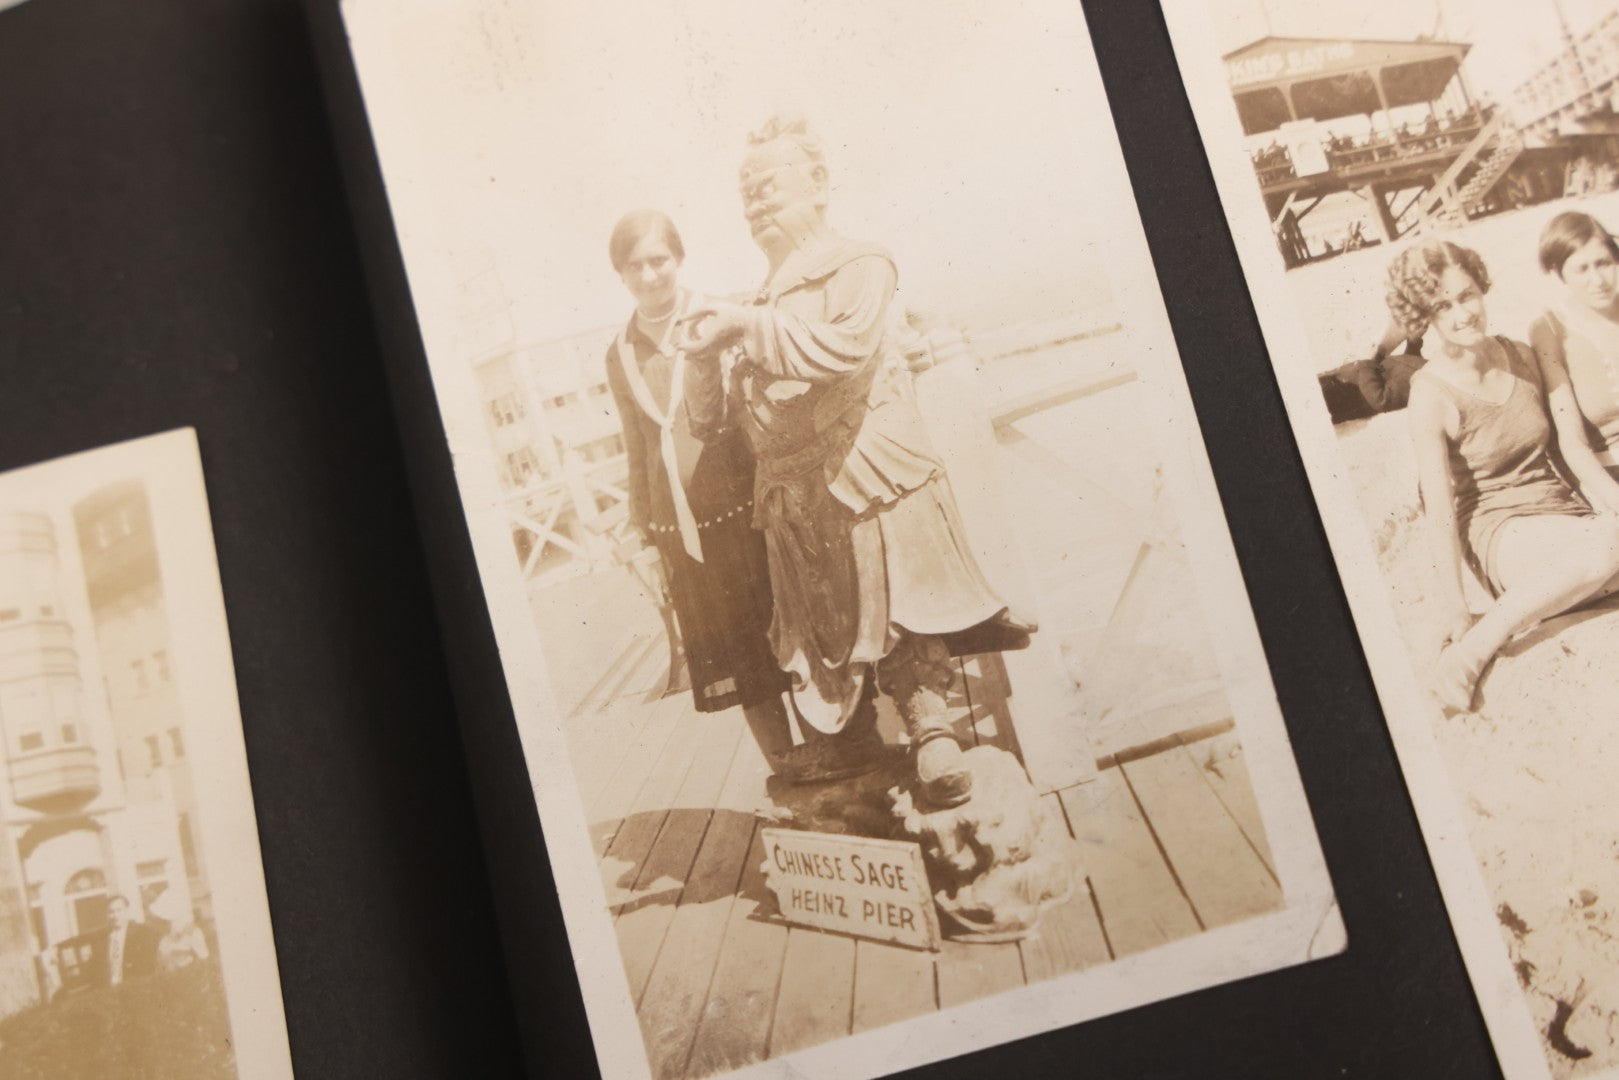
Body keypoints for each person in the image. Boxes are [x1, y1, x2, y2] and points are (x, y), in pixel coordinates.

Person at [679, 115, 1030, 806]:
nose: (754, 201)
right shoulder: (752, 299)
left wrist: (747, 327)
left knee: (900, 603)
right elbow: (709, 420)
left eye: (767, 184)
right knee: (817, 628)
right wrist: (699, 359)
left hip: (866, 469)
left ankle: (932, 729)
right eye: (744, 191)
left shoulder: (863, 263)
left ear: (816, 183)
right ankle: (849, 738)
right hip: (790, 491)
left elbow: (843, 348)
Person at [602, 211, 798, 775]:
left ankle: (829, 762)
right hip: (684, 534)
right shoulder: (619, 351)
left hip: (747, 513)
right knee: (742, 663)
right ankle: (788, 775)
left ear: (678, 259)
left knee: (790, 647)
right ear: (621, 273)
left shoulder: (715, 316)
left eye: (659, 260)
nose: (649, 276)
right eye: (634, 266)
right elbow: (636, 442)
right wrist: (644, 529)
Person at [1392, 240, 1619, 713]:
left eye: (1467, 295)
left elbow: (1575, 451)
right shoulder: (1430, 396)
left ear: (1482, 288)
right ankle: (1469, 655)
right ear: (1424, 318)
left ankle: (1566, 588)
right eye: (1443, 306)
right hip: (1499, 532)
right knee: (1604, 545)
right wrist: (1454, 604)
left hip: (1564, 516)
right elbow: (1439, 511)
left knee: (1605, 541)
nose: (1463, 315)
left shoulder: (1521, 355)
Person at [1530, 211, 1619, 475]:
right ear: (1559, 271)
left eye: (1603, 263)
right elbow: (1571, 442)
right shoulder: (1550, 329)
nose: (1598, 281)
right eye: (1582, 269)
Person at [88, 894, 161, 987]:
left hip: (134, 988)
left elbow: (148, 965)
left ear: (127, 911)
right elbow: (96, 970)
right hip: (109, 992)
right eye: (111, 912)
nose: (115, 915)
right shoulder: (101, 939)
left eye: (119, 910)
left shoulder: (142, 933)